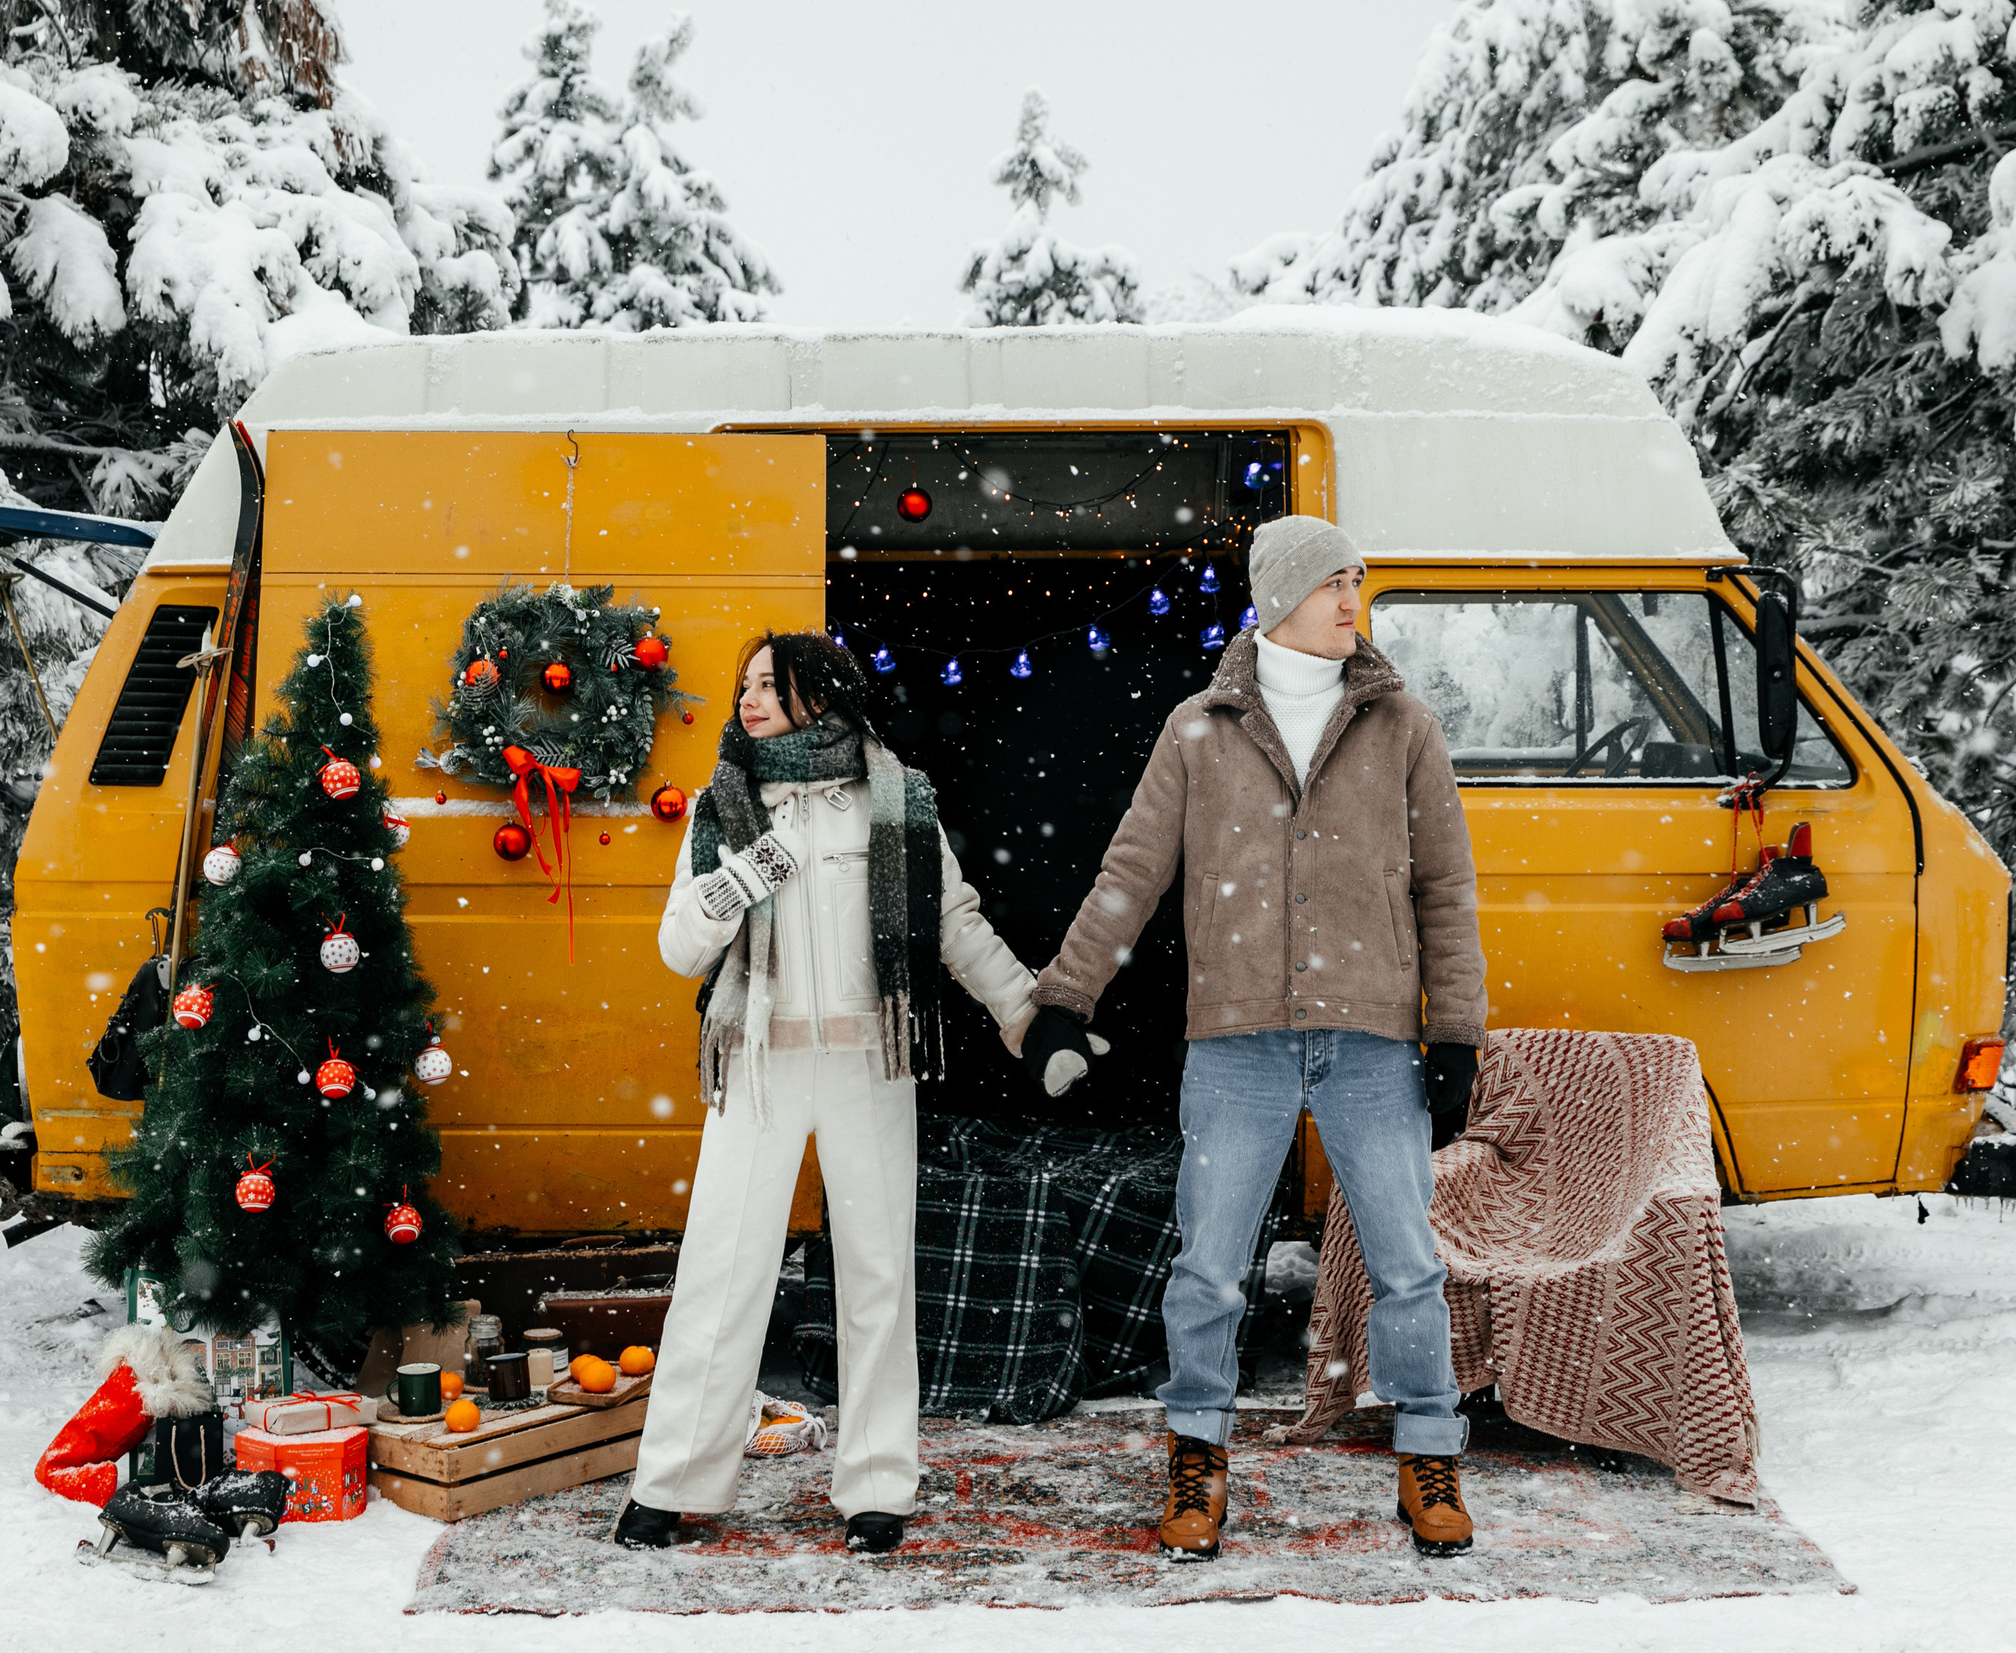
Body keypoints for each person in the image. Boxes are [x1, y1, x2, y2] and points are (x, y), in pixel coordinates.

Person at [1025, 514, 1487, 1561]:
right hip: (1236, 1040)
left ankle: (1427, 1451)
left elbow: (1445, 888)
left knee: (1407, 1264)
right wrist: (1066, 996)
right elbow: (1129, 873)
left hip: (1371, 1039)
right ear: (1281, 594)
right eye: (1335, 581)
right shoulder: (1201, 726)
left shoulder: (1401, 724)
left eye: (1357, 579)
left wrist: (1453, 1032)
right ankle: (1198, 1451)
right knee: (1209, 1266)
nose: (1351, 598)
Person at [615, 631, 1059, 1555]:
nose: (750, 700)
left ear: (823, 692)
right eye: (743, 686)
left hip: (867, 1063)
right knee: (720, 1274)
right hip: (758, 1066)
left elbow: (954, 923)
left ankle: (876, 1490)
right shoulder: (721, 805)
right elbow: (676, 950)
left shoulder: (897, 801)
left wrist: (1028, 1013)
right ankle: (671, 1485)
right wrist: (738, 878)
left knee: (877, 1278)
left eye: (769, 685)